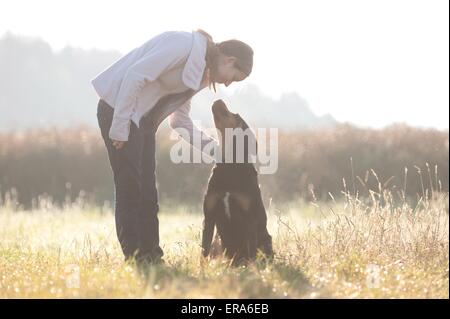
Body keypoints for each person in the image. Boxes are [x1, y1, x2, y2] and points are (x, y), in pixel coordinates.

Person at [92, 29, 254, 265]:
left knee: (148, 191)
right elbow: (136, 75)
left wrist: (219, 153)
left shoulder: (200, 74)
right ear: (230, 60)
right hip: (118, 109)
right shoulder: (183, 45)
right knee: (130, 186)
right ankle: (135, 257)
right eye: (234, 76)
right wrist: (120, 125)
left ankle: (152, 256)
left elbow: (180, 121)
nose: (228, 83)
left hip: (143, 121)